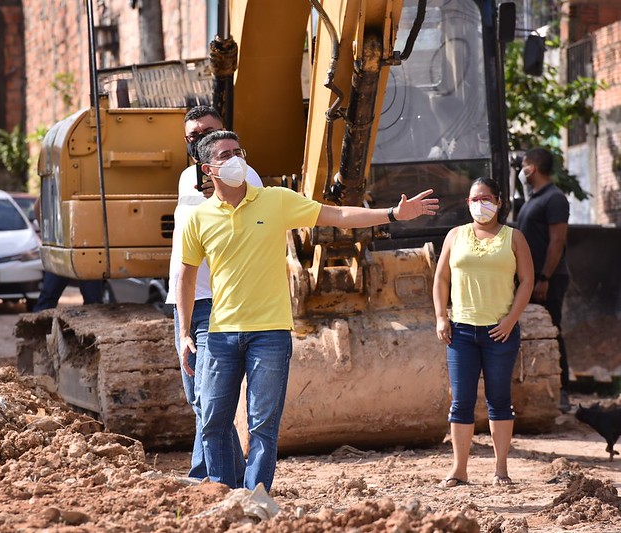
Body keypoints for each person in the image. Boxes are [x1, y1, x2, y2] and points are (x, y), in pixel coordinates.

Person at [175, 130, 439, 491]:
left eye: (239, 150)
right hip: (221, 334)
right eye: (226, 155)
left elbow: (339, 215)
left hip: (270, 334)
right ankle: (222, 494)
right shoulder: (198, 218)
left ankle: (256, 498)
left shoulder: (276, 201)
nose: (237, 158)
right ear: (208, 168)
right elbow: (186, 278)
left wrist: (393, 213)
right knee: (213, 422)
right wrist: (186, 331)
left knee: (262, 426)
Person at [165, 105, 262, 481]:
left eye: (208, 131)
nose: (199, 139)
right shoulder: (185, 177)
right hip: (186, 300)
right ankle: (230, 479)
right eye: (192, 136)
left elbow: (254, 214)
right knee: (198, 398)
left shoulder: (243, 174)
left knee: (210, 398)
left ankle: (204, 478)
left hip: (218, 301)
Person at [433, 177, 534, 488]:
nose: (480, 204)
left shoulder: (514, 238)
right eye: (474, 199)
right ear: (467, 203)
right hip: (460, 332)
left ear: (499, 201)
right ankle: (459, 470)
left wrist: (510, 321)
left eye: (486, 198)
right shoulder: (454, 236)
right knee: (461, 402)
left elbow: (527, 281)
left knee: (499, 400)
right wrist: (441, 317)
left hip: (499, 333)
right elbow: (441, 280)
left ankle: (501, 469)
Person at [516, 147, 571, 413]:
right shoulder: (533, 199)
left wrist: (544, 277)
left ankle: (562, 393)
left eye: (524, 164)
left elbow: (557, 241)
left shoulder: (554, 199)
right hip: (532, 278)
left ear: (533, 168)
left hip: (549, 278)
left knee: (553, 331)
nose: (521, 169)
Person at [31, 195, 103, 311]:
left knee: (93, 300)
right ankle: (36, 327)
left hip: (86, 250)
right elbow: (39, 204)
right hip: (66, 249)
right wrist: (47, 234)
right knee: (49, 297)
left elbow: (39, 204)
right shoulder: (62, 185)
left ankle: (93, 326)